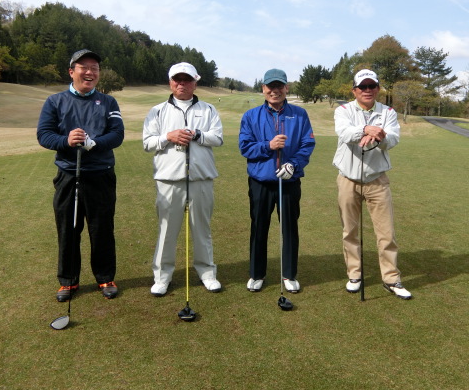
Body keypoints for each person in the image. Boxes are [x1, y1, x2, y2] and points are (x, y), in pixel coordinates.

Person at [37, 49, 124, 302]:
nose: (90, 72)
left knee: (102, 229)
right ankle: (68, 281)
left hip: (100, 175)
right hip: (68, 175)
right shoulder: (55, 101)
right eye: (84, 67)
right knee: (68, 230)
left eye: (94, 68)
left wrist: (93, 144)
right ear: (71, 72)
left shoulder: (108, 102)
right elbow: (44, 134)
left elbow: (117, 134)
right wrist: (66, 140)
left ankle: (105, 277)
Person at [143, 62, 223, 296]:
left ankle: (207, 273)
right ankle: (162, 277)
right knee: (166, 230)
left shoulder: (208, 110)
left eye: (187, 79)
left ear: (195, 82)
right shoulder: (157, 111)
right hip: (169, 179)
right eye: (177, 79)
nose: (182, 83)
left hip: (201, 178)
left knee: (202, 230)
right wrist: (168, 137)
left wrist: (197, 134)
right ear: (170, 83)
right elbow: (148, 143)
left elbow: (218, 138)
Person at [333, 69, 412, 299]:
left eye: (371, 86)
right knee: (350, 231)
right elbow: (345, 133)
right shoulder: (343, 110)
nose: (367, 90)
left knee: (386, 232)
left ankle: (391, 278)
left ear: (377, 89)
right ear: (354, 90)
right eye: (362, 87)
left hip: (377, 179)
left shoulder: (388, 112)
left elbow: (393, 139)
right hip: (348, 178)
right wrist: (366, 129)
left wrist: (380, 135)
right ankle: (354, 275)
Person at [239, 69, 315, 293]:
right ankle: (257, 274)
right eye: (270, 86)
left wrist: (293, 165)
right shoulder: (251, 116)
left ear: (286, 88)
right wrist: (268, 146)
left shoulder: (299, 114)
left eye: (279, 86)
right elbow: (245, 147)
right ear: (263, 88)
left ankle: (289, 274)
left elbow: (307, 144)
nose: (275, 91)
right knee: (259, 227)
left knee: (289, 228)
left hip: (289, 181)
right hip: (260, 181)